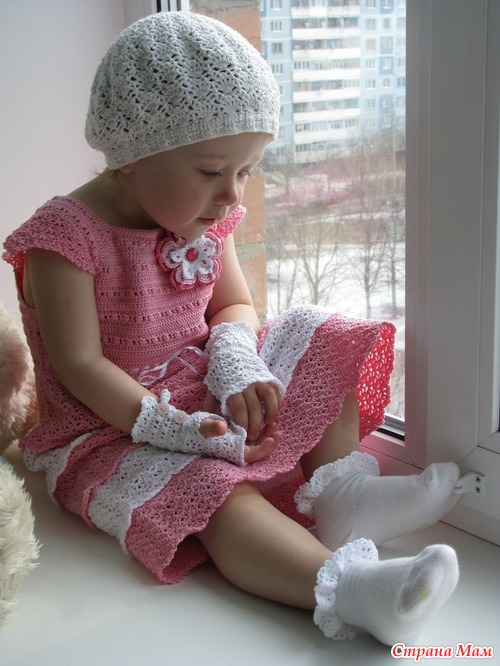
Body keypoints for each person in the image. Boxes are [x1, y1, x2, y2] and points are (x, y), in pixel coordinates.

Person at [3, 11, 461, 647]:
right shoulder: (65, 240)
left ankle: (341, 494)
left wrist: (236, 360)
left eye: (246, 172)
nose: (232, 197)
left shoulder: (202, 216)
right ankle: (351, 590)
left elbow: (235, 305)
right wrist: (171, 428)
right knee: (212, 492)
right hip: (109, 431)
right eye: (211, 171)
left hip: (202, 387)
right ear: (132, 155)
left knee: (319, 335)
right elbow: (81, 367)